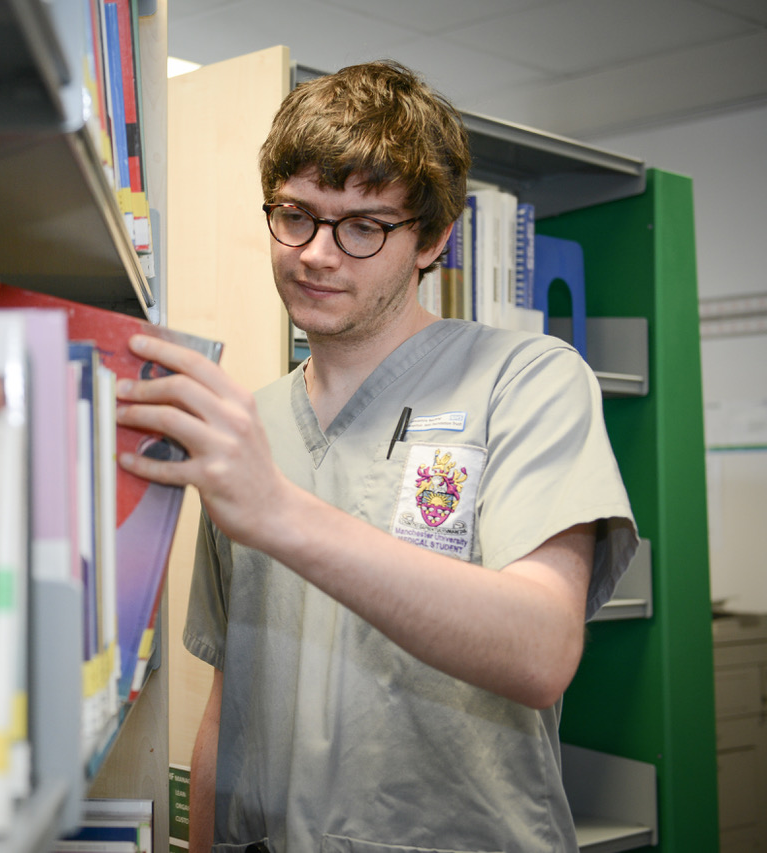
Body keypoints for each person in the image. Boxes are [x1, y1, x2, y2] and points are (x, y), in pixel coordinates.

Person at [115, 59, 638, 852]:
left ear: (432, 239)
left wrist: (280, 512)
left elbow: (541, 649)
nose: (317, 253)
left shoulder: (527, 380)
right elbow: (229, 698)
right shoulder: (249, 425)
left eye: (363, 225)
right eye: (296, 214)